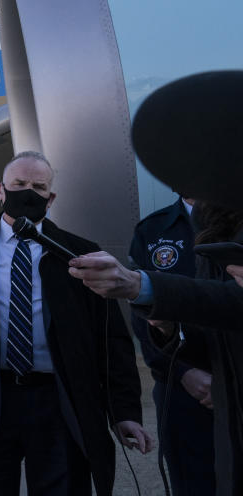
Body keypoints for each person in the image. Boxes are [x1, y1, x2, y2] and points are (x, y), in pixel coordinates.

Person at [0, 151, 151, 496]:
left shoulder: (81, 254)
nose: (28, 192)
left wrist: (124, 411)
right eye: (18, 184)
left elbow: (112, 339)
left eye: (38, 187)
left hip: (58, 402)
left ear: (51, 198)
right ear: (0, 190)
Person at [70, 204, 243, 496]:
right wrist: (181, 366)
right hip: (186, 387)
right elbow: (214, 314)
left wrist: (144, 287)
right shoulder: (160, 227)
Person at [129, 196, 215, 495]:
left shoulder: (233, 222)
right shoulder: (152, 230)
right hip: (182, 393)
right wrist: (183, 372)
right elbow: (142, 318)